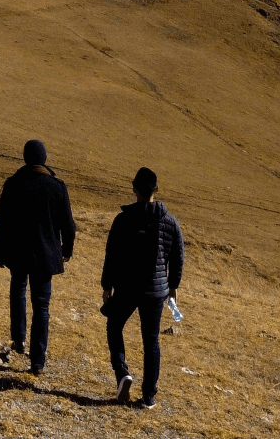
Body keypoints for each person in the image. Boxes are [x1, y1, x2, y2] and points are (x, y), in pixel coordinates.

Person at [0, 139, 76, 377]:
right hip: (45, 255)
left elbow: (1, 222)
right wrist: (67, 249)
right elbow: (69, 225)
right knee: (42, 306)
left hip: (18, 252)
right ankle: (38, 361)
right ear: (44, 159)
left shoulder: (13, 184)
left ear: (24, 158)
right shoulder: (57, 186)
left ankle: (18, 338)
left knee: (18, 289)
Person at [100, 166, 184, 408]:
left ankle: (122, 372)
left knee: (114, 325)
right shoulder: (170, 222)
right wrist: (173, 286)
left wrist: (107, 286)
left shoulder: (123, 220)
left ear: (133, 188)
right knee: (151, 341)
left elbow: (111, 256)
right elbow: (178, 257)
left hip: (126, 287)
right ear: (156, 189)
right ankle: (149, 396)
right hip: (156, 290)